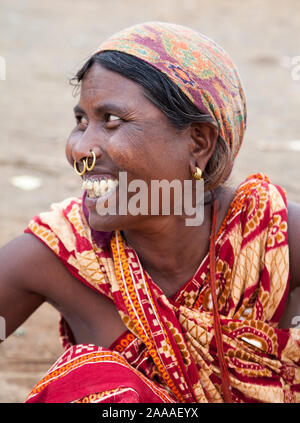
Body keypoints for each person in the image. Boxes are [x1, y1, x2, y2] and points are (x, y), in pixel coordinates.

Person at [1, 21, 300, 403]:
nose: (80, 149)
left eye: (112, 120)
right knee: (96, 379)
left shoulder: (274, 242)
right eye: (81, 121)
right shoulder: (61, 254)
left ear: (198, 142)